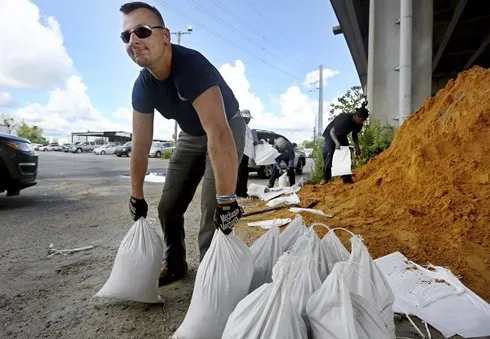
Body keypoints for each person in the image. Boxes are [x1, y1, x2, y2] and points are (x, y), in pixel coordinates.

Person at [120, 2, 246, 286]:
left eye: (141, 31)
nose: (134, 41)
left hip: (226, 126)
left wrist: (227, 201)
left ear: (165, 36)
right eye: (126, 36)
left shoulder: (191, 67)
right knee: (168, 206)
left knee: (213, 209)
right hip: (191, 135)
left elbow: (217, 130)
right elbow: (140, 146)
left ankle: (214, 282)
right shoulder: (143, 86)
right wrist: (136, 196)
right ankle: (175, 264)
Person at [321, 102, 369, 184]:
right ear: (357, 117)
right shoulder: (345, 120)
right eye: (361, 120)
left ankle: (347, 179)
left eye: (363, 121)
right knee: (329, 153)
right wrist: (336, 142)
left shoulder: (359, 123)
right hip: (330, 134)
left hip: (342, 135)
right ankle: (326, 179)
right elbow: (332, 131)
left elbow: (354, 134)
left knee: (345, 154)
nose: (362, 123)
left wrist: (357, 147)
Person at [235, 109, 253, 198]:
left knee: (241, 172)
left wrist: (256, 143)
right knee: (241, 173)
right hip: (241, 152)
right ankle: (241, 192)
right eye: (247, 118)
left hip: (245, 153)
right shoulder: (240, 126)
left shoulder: (246, 127)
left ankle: (239, 191)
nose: (249, 120)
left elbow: (248, 141)